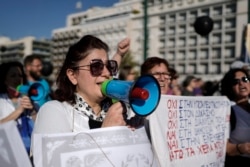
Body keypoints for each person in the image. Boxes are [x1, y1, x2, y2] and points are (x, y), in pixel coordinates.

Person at [31, 35, 144, 153]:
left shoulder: (121, 114)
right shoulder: (54, 111)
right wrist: (106, 134)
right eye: (96, 66)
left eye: (109, 66)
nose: (106, 73)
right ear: (73, 76)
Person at [0, 61, 36, 154]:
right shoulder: (1, 100)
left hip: (29, 150)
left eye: (20, 76)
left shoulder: (29, 98)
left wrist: (33, 110)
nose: (17, 79)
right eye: (13, 76)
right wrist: (19, 110)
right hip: (7, 150)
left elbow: (40, 124)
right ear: (5, 79)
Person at [220, 68, 250, 166]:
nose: (241, 83)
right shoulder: (227, 110)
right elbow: (222, 147)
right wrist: (241, 148)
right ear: (229, 87)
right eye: (235, 82)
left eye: (245, 79)